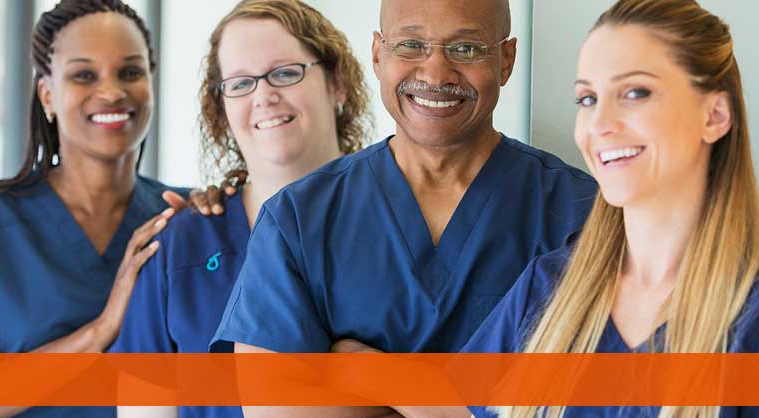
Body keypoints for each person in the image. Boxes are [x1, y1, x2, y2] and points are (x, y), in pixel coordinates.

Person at [209, 0, 598, 416]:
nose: (434, 73)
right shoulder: (297, 220)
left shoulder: (583, 214)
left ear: (505, 60)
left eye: (465, 48)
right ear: (378, 55)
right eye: (411, 45)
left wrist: (377, 376)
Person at [462, 0, 759, 417]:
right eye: (587, 99)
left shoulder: (748, 316)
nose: (600, 123)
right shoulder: (546, 288)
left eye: (635, 93)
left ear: (714, 115)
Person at [109, 1, 372, 418]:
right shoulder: (178, 246)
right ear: (222, 106)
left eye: (286, 73)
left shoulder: (397, 227)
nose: (264, 96)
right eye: (241, 83)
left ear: (337, 82)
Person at [0, 1, 216, 416]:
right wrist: (101, 330)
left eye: (130, 72)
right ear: (48, 94)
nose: (112, 91)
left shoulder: (180, 217)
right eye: (84, 75)